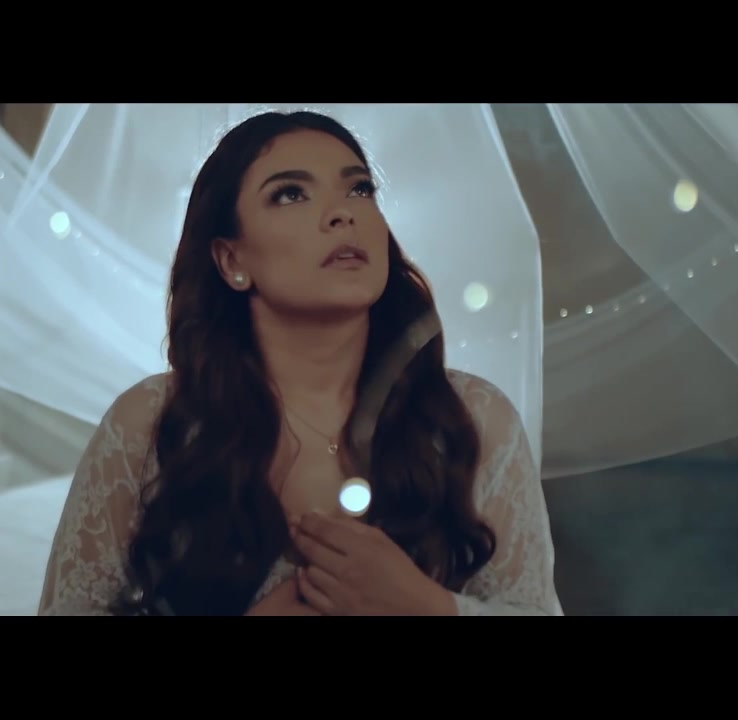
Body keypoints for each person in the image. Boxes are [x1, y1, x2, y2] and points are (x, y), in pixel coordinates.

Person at [36, 110, 562, 616]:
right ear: (231, 259)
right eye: (290, 193)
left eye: (359, 189)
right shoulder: (149, 425)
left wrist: (429, 608)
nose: (342, 213)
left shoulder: (472, 418)